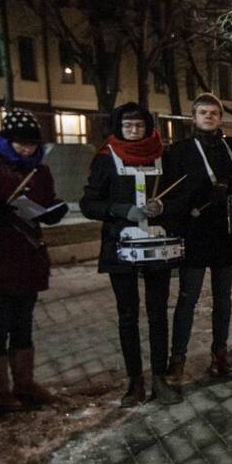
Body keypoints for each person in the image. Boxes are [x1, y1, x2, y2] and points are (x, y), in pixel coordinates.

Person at [80, 102, 177, 406]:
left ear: (148, 126)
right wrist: (122, 210)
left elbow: (179, 197)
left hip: (157, 247)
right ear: (118, 127)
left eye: (139, 125)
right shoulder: (106, 159)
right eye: (127, 126)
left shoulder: (164, 155)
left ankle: (160, 378)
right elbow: (88, 204)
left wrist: (165, 207)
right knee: (127, 316)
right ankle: (135, 381)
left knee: (159, 314)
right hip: (120, 249)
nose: (134, 131)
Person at [0, 109, 67, 412]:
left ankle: (25, 384)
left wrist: (54, 209)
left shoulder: (39, 170)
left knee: (23, 322)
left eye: (31, 144)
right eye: (20, 143)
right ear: (6, 139)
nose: (27, 149)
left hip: (28, 256)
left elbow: (46, 199)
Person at [160, 93, 232, 387]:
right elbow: (169, 194)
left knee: (223, 299)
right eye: (203, 112)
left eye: (214, 113)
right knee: (187, 299)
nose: (209, 117)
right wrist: (195, 197)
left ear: (220, 118)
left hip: (224, 236)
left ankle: (220, 355)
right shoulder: (180, 151)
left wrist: (229, 189)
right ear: (193, 117)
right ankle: (177, 359)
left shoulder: (230, 148)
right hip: (194, 235)